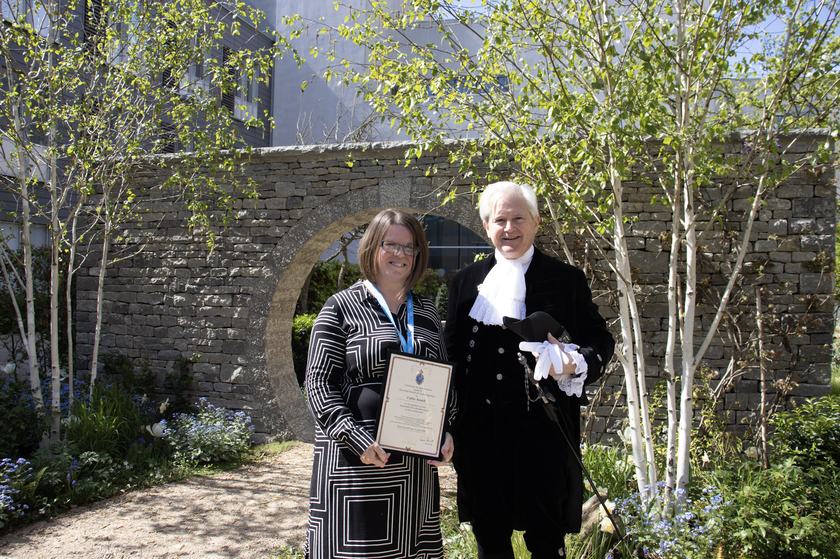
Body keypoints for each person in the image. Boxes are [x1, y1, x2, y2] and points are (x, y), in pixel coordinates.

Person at [445, 181, 614, 559]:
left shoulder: (565, 279)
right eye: (499, 220)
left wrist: (576, 362)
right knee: (490, 542)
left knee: (546, 543)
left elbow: (600, 341)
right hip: (481, 437)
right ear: (486, 226)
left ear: (536, 221)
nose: (509, 228)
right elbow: (451, 354)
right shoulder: (465, 282)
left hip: (543, 436)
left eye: (518, 218)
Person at [305, 209, 456, 559]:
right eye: (391, 245)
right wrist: (354, 437)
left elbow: (445, 383)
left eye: (409, 247)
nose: (400, 254)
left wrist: (446, 430)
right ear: (373, 246)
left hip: (413, 472)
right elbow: (318, 382)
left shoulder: (427, 313)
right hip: (356, 461)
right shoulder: (340, 307)